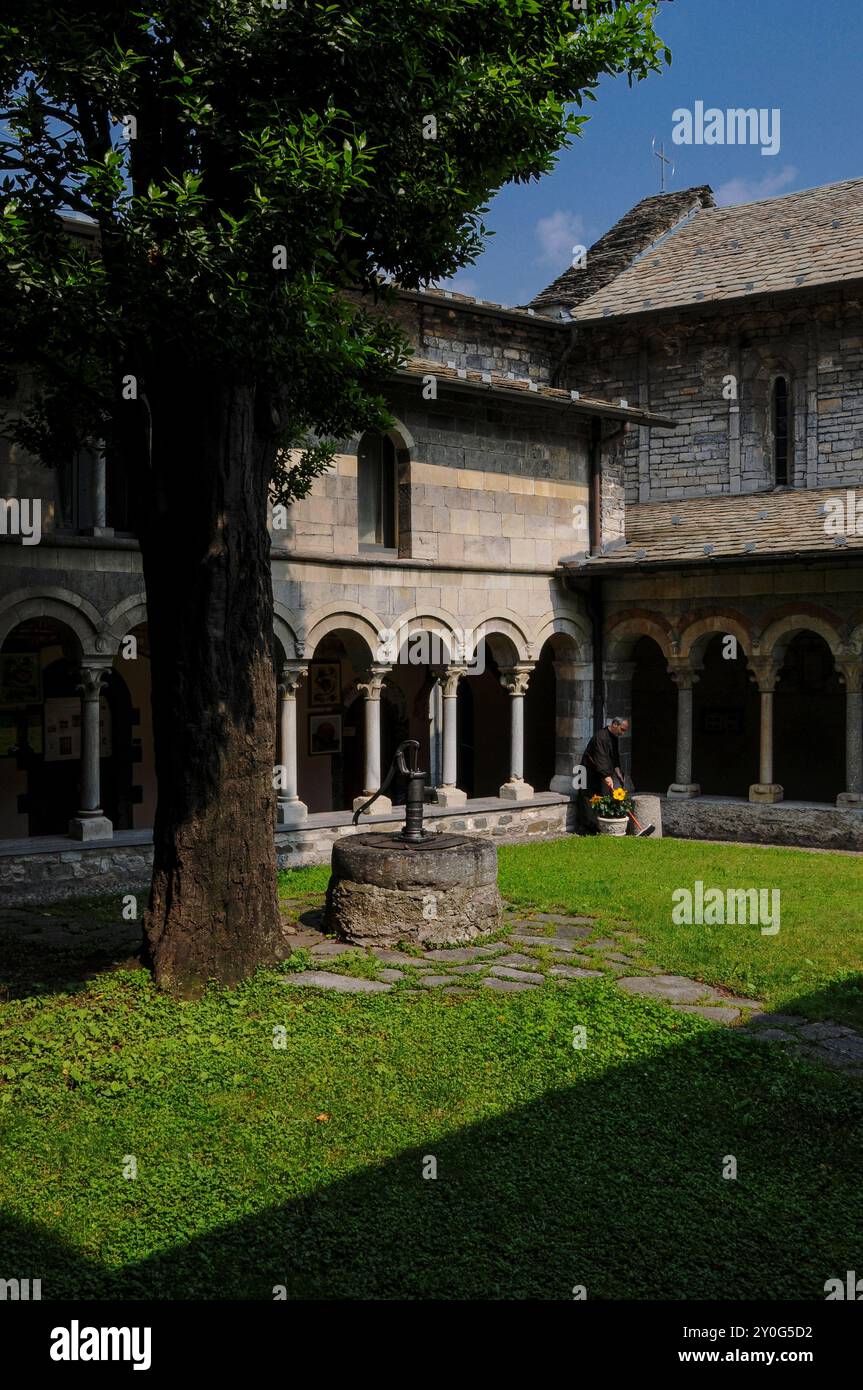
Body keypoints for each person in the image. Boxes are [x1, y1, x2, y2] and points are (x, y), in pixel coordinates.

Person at [577, 717, 654, 836]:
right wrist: (606, 776)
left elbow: (614, 756)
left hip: (600, 772)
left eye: (625, 730)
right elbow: (600, 757)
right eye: (622, 729)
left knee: (601, 796)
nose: (623, 733)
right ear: (614, 724)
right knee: (587, 798)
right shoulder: (600, 736)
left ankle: (598, 826)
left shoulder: (613, 737)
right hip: (588, 772)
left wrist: (617, 770)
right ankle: (587, 828)